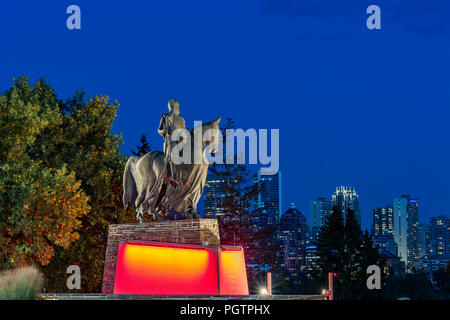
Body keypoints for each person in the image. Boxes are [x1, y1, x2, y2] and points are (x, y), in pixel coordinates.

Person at [158, 98, 185, 187]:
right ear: (172, 106)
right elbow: (159, 130)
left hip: (181, 139)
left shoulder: (181, 119)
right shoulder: (166, 117)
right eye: (176, 106)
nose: (178, 108)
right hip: (171, 140)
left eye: (178, 106)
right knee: (174, 149)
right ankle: (174, 175)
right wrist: (164, 130)